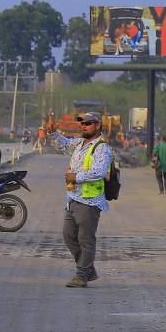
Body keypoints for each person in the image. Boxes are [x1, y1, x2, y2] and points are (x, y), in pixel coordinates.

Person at [46, 111, 114, 287]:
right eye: (82, 123)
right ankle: (88, 269)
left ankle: (82, 276)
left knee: (86, 240)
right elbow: (64, 144)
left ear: (98, 125)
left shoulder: (102, 148)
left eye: (88, 123)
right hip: (73, 198)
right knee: (69, 236)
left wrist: (76, 177)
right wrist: (53, 132)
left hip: (90, 201)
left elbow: (100, 172)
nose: (84, 126)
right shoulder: (79, 144)